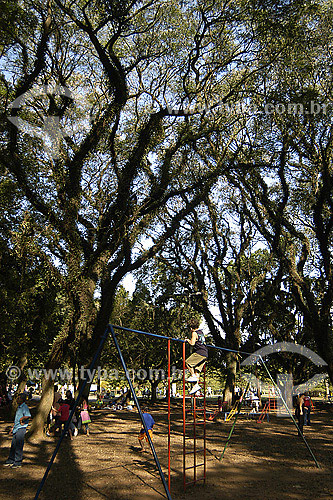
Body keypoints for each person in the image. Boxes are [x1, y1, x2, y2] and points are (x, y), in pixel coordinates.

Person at [4, 393, 31, 468]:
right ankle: (11, 459)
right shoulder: (19, 407)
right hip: (16, 428)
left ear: (22, 399)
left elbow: (28, 415)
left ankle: (18, 462)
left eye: (19, 398)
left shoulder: (24, 407)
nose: (17, 399)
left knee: (19, 445)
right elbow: (16, 419)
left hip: (21, 429)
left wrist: (22, 419)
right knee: (13, 445)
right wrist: (12, 428)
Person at [185, 317, 208, 395]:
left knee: (188, 362)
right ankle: (196, 386)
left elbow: (192, 343)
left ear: (191, 328)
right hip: (205, 353)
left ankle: (192, 376)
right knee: (197, 370)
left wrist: (188, 340)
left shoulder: (194, 333)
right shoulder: (201, 332)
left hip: (200, 352)